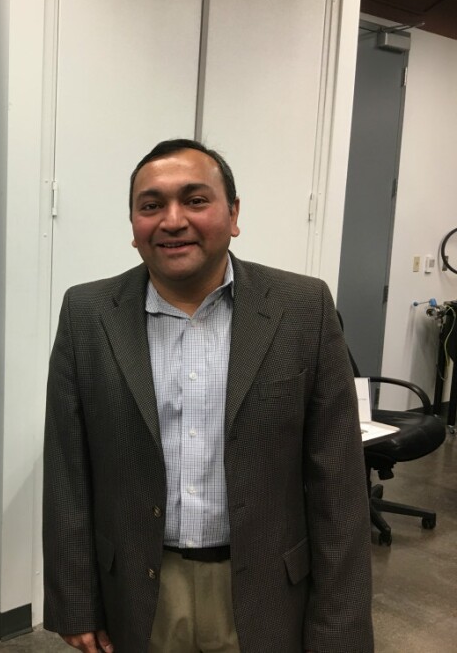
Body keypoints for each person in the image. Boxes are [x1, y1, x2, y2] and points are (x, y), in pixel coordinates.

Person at [43, 139, 373, 653]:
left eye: (195, 200)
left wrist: (340, 629)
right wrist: (74, 601)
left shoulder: (303, 309)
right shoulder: (88, 313)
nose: (172, 220)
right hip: (138, 590)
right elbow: (68, 471)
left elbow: (338, 484)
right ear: (133, 226)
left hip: (267, 592)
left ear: (234, 213)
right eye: (151, 206)